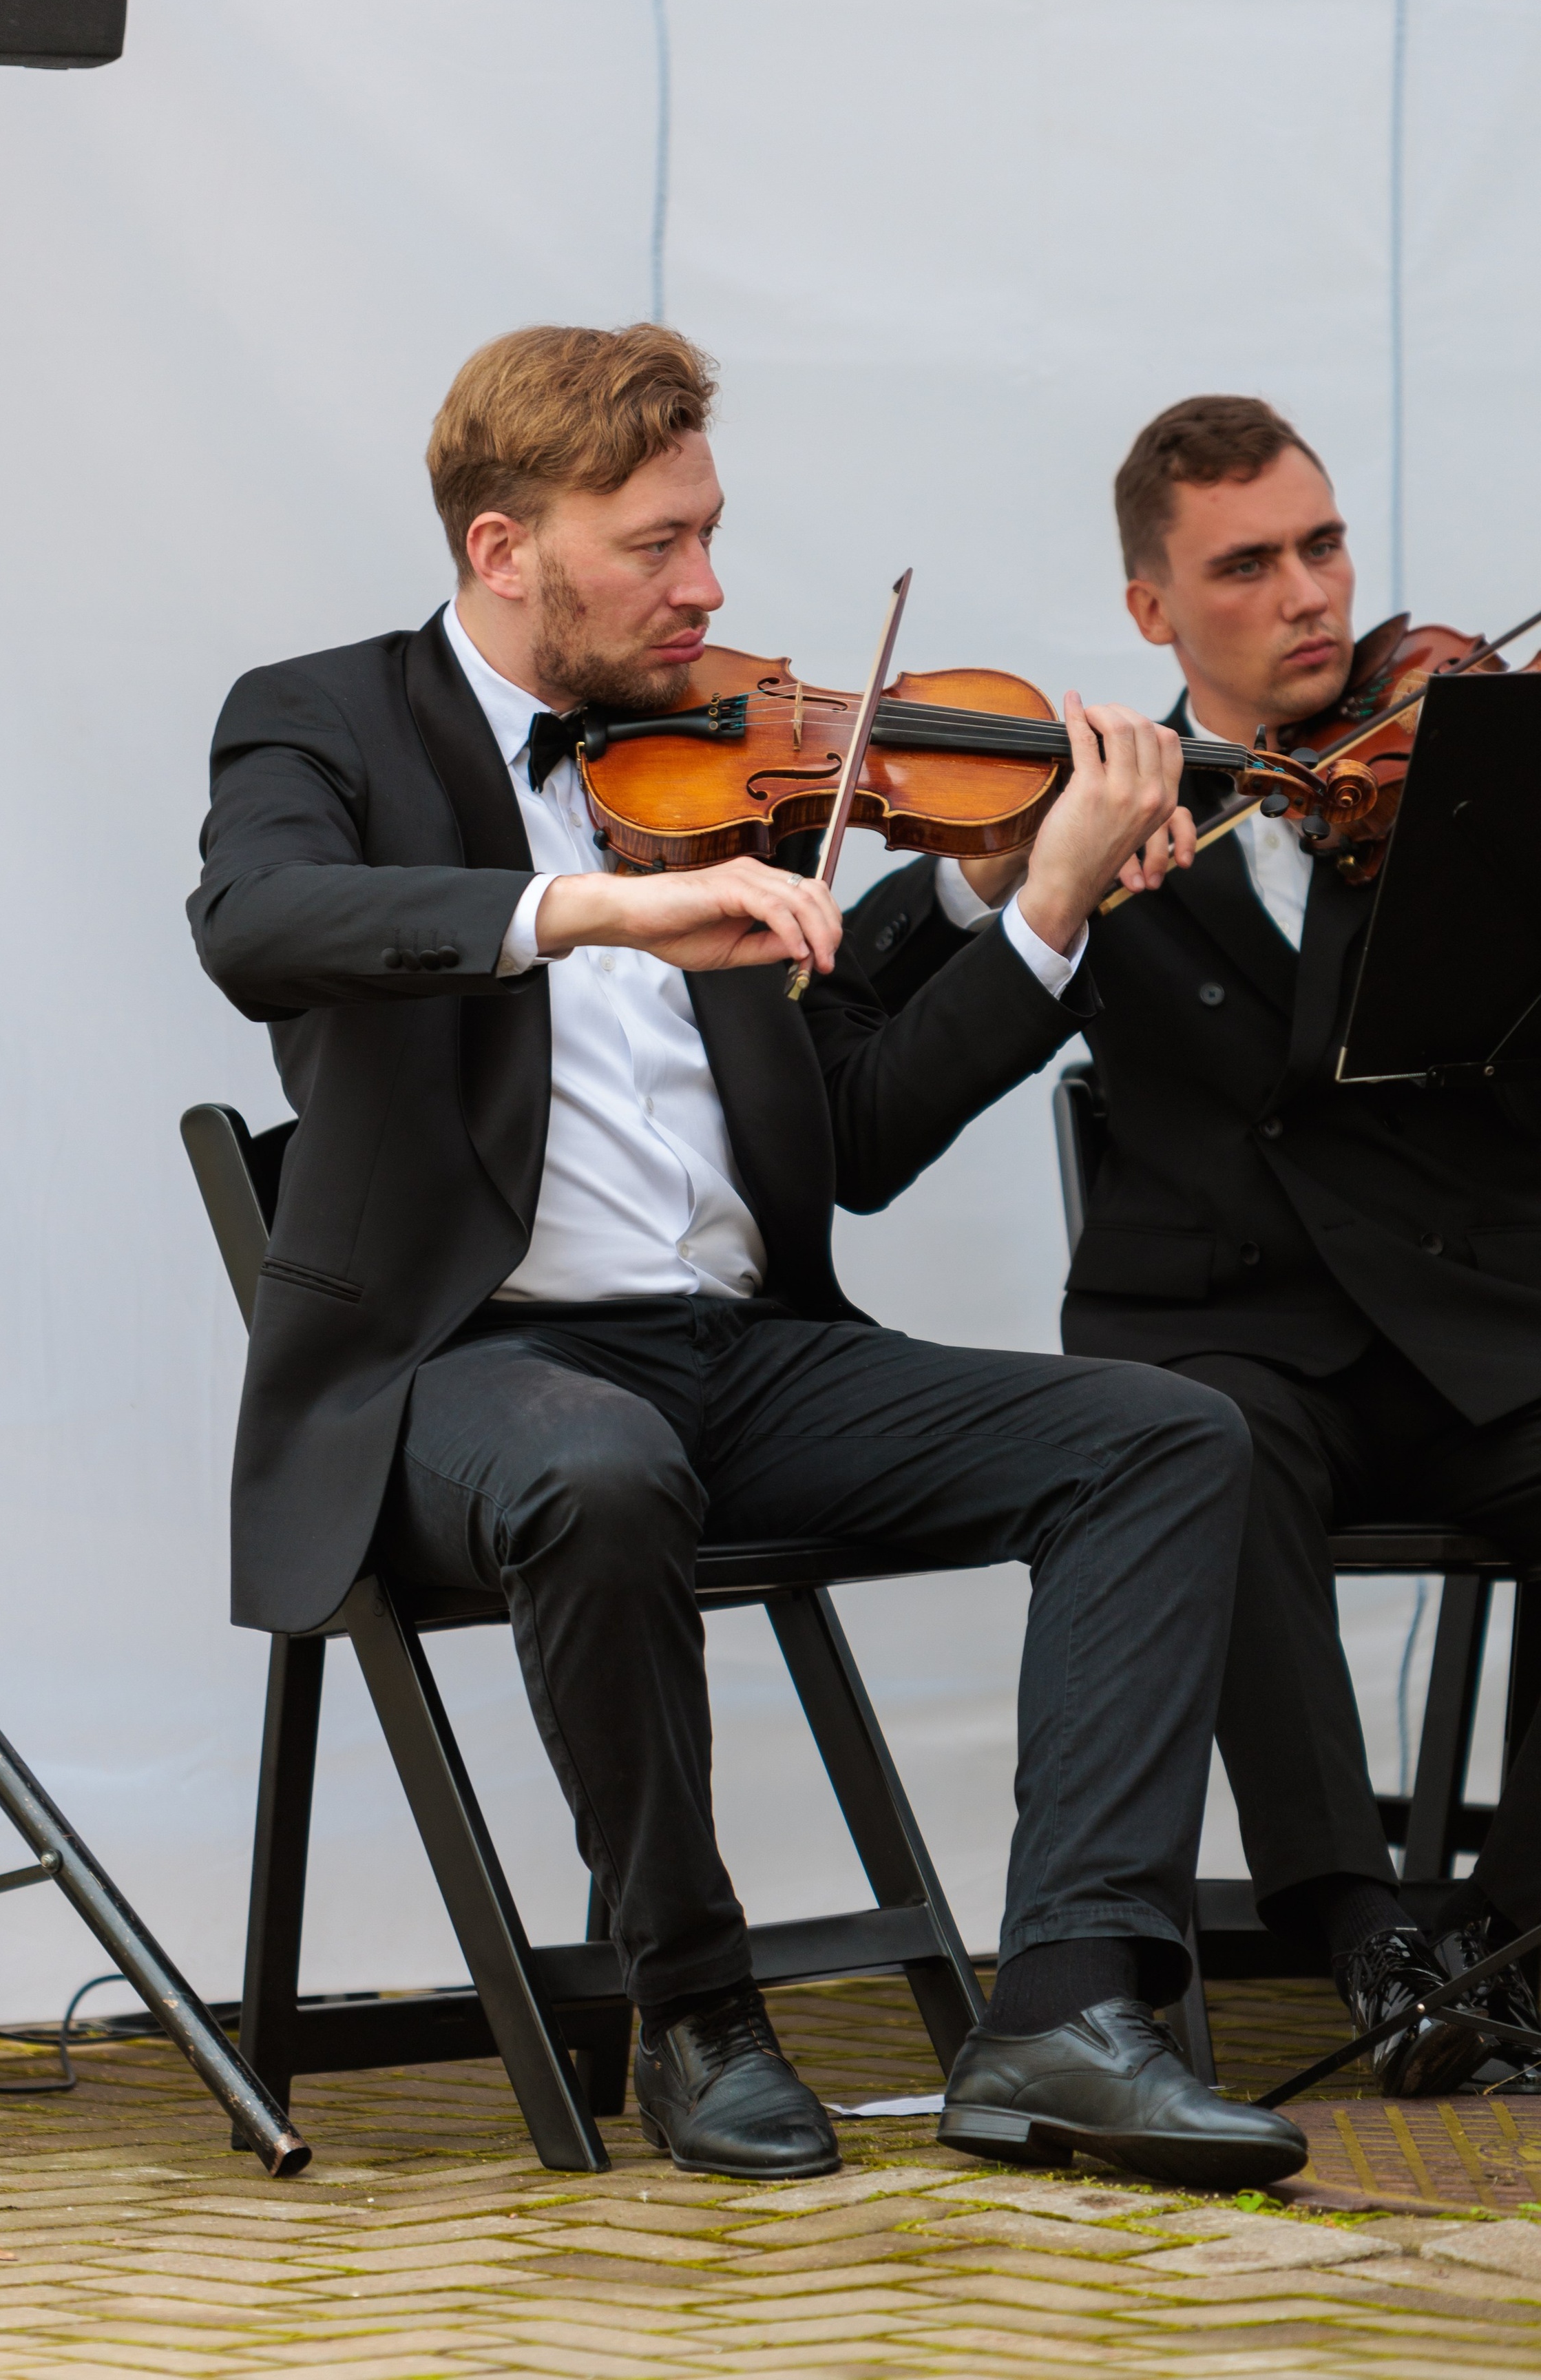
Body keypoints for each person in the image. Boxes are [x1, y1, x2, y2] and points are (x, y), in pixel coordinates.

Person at [188, 326, 1303, 2187]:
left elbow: (853, 1145)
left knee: (1164, 1435)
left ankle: (1067, 2014)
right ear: (502, 549)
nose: (705, 586)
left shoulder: (728, 767)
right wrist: (600, 910)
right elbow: (260, 921)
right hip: (463, 1376)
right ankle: (695, 2009)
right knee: (599, 1467)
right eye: (652, 545)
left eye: (709, 530)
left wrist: (1040, 905)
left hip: (741, 1355)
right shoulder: (322, 717)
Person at [849, 394, 1541, 2096]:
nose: (1306, 593)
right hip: (1224, 1333)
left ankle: (1513, 1940)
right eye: (1246, 565)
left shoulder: (1458, 776)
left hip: (1471, 1323)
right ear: (1153, 609)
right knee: (1198, 1451)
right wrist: (1024, 882)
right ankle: (1359, 1924)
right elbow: (860, 1070)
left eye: (1321, 547)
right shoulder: (1090, 813)